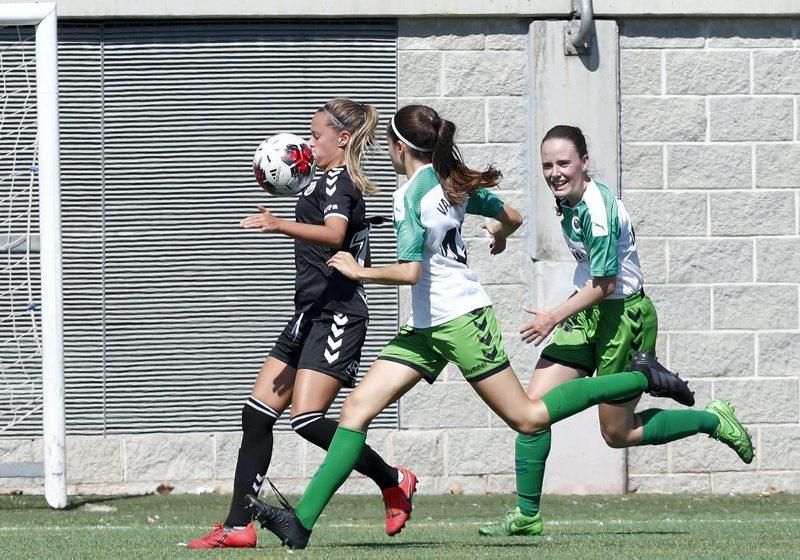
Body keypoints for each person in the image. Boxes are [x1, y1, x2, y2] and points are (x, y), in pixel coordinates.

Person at [243, 105, 696, 550]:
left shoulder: (411, 196)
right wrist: (499, 232)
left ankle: (643, 376)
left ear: (399, 147)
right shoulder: (451, 179)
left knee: (529, 416)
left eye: (388, 145)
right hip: (424, 327)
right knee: (355, 411)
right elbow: (512, 216)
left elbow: (410, 273)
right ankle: (300, 524)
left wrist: (360, 272)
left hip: (462, 320)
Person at [478, 124, 754, 538]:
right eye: (548, 165)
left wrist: (552, 316)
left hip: (623, 319)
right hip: (586, 313)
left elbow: (606, 283)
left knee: (617, 433)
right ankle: (527, 515)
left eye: (564, 163)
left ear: (584, 163)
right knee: (530, 414)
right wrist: (501, 229)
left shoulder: (596, 210)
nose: (555, 172)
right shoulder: (568, 199)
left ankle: (709, 420)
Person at [187, 98, 416, 549]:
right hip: (308, 312)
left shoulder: (341, 182)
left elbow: (334, 233)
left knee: (307, 420)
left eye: (316, 136)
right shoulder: (319, 180)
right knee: (255, 416)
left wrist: (277, 224)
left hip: (339, 315)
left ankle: (393, 479)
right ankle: (237, 527)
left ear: (342, 138)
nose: (308, 143)